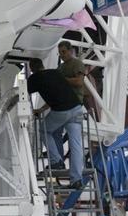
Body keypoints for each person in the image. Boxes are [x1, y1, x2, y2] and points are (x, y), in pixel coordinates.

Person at [26, 56, 85, 187]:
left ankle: (56, 160)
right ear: (42, 65)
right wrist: (41, 109)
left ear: (31, 68)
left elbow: (22, 92)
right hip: (77, 109)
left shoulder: (35, 78)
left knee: (44, 130)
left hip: (62, 111)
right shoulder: (55, 73)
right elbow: (57, 93)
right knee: (76, 144)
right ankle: (76, 179)